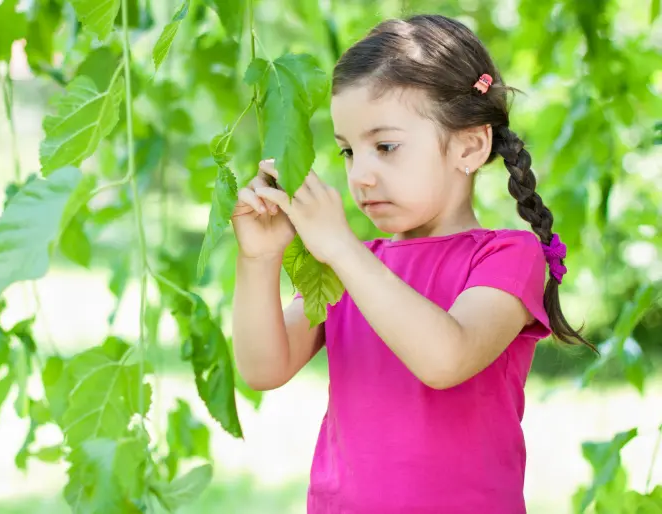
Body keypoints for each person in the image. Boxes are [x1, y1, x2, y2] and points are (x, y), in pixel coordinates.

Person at [230, 13, 594, 514]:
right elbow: (261, 367)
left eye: (385, 147)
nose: (360, 176)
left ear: (470, 145)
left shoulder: (508, 256)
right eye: (347, 152)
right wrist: (259, 258)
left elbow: (445, 359)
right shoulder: (354, 265)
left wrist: (340, 246)